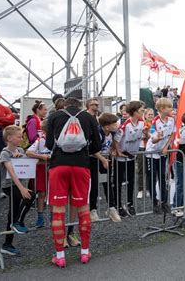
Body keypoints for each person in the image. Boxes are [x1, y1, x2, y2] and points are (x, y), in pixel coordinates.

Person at [46, 97, 105, 267]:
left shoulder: (55, 116)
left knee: (58, 210)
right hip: (81, 165)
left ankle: (60, 256)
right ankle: (85, 253)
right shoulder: (88, 117)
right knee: (83, 208)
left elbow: (50, 143)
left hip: (58, 165)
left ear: (65, 105)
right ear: (80, 105)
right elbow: (97, 145)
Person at [0, 125, 34, 255]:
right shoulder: (5, 153)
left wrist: (21, 157)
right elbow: (11, 172)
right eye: (19, 137)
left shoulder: (20, 150)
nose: (21, 138)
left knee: (12, 213)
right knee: (30, 196)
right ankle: (18, 221)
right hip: (9, 185)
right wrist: (22, 188)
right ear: (9, 138)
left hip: (19, 184)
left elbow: (25, 166)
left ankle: (7, 243)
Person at [113, 101, 146, 217]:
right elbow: (116, 139)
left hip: (132, 156)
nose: (144, 112)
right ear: (135, 112)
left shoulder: (142, 122)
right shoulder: (125, 124)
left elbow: (143, 132)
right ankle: (118, 205)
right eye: (142, 110)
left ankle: (130, 204)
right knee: (118, 182)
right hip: (121, 157)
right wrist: (118, 151)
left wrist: (145, 134)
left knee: (131, 181)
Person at [145, 98, 175, 214]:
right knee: (152, 178)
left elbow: (172, 134)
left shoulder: (172, 120)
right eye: (169, 107)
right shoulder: (155, 121)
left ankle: (164, 201)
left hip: (162, 152)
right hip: (151, 152)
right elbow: (153, 139)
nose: (171, 109)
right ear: (162, 109)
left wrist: (166, 147)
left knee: (163, 176)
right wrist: (159, 138)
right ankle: (154, 203)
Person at [90, 113, 121, 222]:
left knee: (108, 183)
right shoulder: (98, 133)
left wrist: (112, 151)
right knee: (94, 184)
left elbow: (111, 144)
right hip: (94, 160)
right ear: (107, 126)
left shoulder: (112, 133)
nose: (117, 124)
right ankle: (92, 210)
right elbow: (92, 150)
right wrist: (102, 159)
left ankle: (111, 208)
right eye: (115, 123)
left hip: (105, 159)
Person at [25, 120, 50, 228]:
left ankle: (54, 216)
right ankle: (40, 217)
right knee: (42, 194)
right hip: (41, 170)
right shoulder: (40, 141)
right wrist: (42, 157)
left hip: (52, 169)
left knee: (53, 194)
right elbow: (28, 152)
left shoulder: (56, 141)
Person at [136, 108, 154, 199]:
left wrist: (148, 135)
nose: (151, 116)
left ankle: (147, 189)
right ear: (145, 115)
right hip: (142, 147)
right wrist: (145, 135)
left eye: (152, 114)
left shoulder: (154, 124)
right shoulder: (142, 124)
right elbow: (139, 136)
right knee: (141, 169)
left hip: (151, 149)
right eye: (149, 114)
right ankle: (140, 190)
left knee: (149, 170)